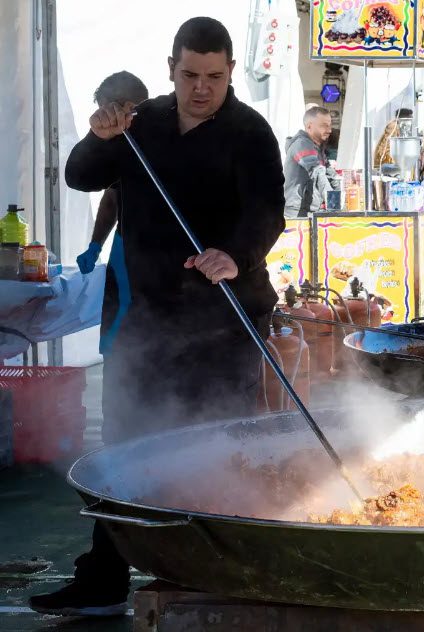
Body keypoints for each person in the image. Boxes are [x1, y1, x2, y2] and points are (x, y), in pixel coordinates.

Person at [29, 17, 285, 617]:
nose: (202, 88)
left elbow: (267, 212)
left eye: (214, 77)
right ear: (171, 68)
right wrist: (98, 136)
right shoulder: (141, 126)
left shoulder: (250, 133)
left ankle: (217, 576)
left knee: (218, 449)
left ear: (230, 73)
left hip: (224, 319)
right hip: (145, 320)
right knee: (121, 449)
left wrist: (235, 254)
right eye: (191, 75)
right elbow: (81, 175)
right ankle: (103, 580)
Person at [75, 72, 149, 275]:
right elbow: (112, 197)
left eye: (105, 112)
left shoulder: (171, 139)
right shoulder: (120, 145)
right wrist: (95, 246)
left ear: (129, 108)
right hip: (125, 247)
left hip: (166, 256)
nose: (104, 122)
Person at [284, 106, 332, 217]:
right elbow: (316, 171)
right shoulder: (302, 144)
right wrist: (332, 198)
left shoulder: (318, 147)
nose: (329, 130)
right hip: (296, 213)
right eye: (324, 126)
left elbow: (329, 173)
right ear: (309, 126)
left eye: (329, 125)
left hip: (309, 211)